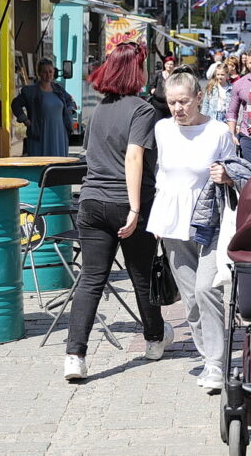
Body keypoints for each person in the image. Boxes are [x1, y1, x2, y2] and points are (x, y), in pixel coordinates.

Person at [64, 42, 173, 382]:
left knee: (91, 280)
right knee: (141, 275)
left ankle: (74, 356)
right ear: (135, 72)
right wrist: (136, 208)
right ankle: (154, 340)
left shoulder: (99, 109)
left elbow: (90, 155)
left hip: (91, 201)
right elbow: (134, 157)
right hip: (125, 201)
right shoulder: (141, 110)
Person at [147, 71, 234, 392]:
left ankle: (215, 362)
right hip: (172, 223)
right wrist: (155, 220)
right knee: (191, 300)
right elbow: (161, 175)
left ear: (199, 97)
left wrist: (227, 175)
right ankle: (209, 357)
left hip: (210, 221)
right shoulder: (162, 129)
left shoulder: (218, 131)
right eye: (172, 102)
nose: (178, 108)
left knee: (206, 289)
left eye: (183, 101)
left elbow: (236, 170)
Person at [11, 59, 75, 157]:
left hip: (59, 132)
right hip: (40, 133)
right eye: (45, 71)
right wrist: (25, 120)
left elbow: (69, 100)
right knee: (41, 163)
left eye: (50, 71)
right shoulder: (30, 92)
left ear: (53, 72)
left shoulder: (58, 89)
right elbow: (15, 104)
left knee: (58, 163)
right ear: (39, 73)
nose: (48, 74)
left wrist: (69, 111)